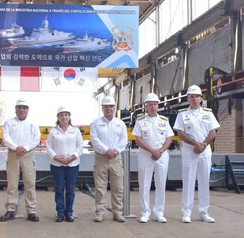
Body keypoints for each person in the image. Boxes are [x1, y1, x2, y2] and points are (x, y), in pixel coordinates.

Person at [173, 85, 220, 223]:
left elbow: (213, 132)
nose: (194, 99)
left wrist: (203, 144)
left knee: (204, 181)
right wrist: (195, 144)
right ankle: (186, 213)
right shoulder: (182, 114)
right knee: (188, 181)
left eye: (197, 96)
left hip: (204, 151)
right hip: (189, 151)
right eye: (191, 96)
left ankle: (203, 212)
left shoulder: (208, 113)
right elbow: (180, 133)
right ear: (188, 98)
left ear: (201, 98)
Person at [132, 93, 174, 223]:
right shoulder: (140, 121)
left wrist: (160, 151)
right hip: (146, 155)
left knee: (161, 183)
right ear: (146, 106)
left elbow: (169, 138)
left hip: (161, 155)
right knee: (144, 184)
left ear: (158, 106)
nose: (153, 107)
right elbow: (137, 139)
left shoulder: (164, 121)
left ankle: (159, 212)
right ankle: (145, 212)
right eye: (150, 104)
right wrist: (151, 150)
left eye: (155, 104)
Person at [0, 99, 41, 222]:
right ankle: (11, 210)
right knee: (12, 183)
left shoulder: (33, 123)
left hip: (28, 155)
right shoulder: (8, 123)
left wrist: (25, 148)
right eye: (19, 107)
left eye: (24, 107)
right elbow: (5, 138)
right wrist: (16, 147)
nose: (22, 110)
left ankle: (31, 211)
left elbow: (36, 138)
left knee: (30, 184)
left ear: (28, 109)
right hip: (13, 154)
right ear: (15, 109)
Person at [90, 95, 128, 223]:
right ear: (102, 108)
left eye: (111, 106)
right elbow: (94, 140)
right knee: (100, 187)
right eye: (106, 106)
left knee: (118, 187)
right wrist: (106, 150)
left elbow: (124, 140)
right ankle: (99, 212)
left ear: (114, 107)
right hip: (101, 157)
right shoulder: (96, 123)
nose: (109, 108)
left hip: (116, 158)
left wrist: (115, 151)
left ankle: (117, 212)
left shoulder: (120, 123)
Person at [46, 106, 83, 222]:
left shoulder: (75, 131)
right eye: (61, 115)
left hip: (73, 165)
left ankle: (69, 213)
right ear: (58, 117)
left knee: (70, 189)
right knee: (59, 189)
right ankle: (60, 212)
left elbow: (80, 146)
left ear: (69, 117)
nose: (64, 117)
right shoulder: (53, 131)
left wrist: (72, 157)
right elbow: (49, 147)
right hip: (57, 165)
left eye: (66, 114)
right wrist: (58, 159)